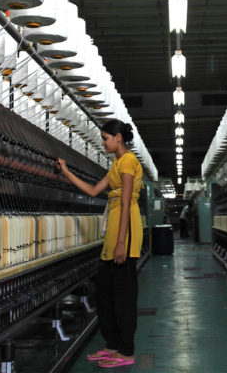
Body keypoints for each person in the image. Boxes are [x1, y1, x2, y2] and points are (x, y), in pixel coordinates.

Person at [55, 119, 143, 369]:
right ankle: (112, 345)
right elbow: (93, 191)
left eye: (105, 138)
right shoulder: (116, 163)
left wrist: (120, 244)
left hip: (124, 231)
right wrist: (67, 172)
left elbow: (126, 202)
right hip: (114, 227)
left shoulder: (128, 161)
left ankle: (126, 351)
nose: (102, 142)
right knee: (105, 293)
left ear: (118, 138)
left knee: (124, 296)